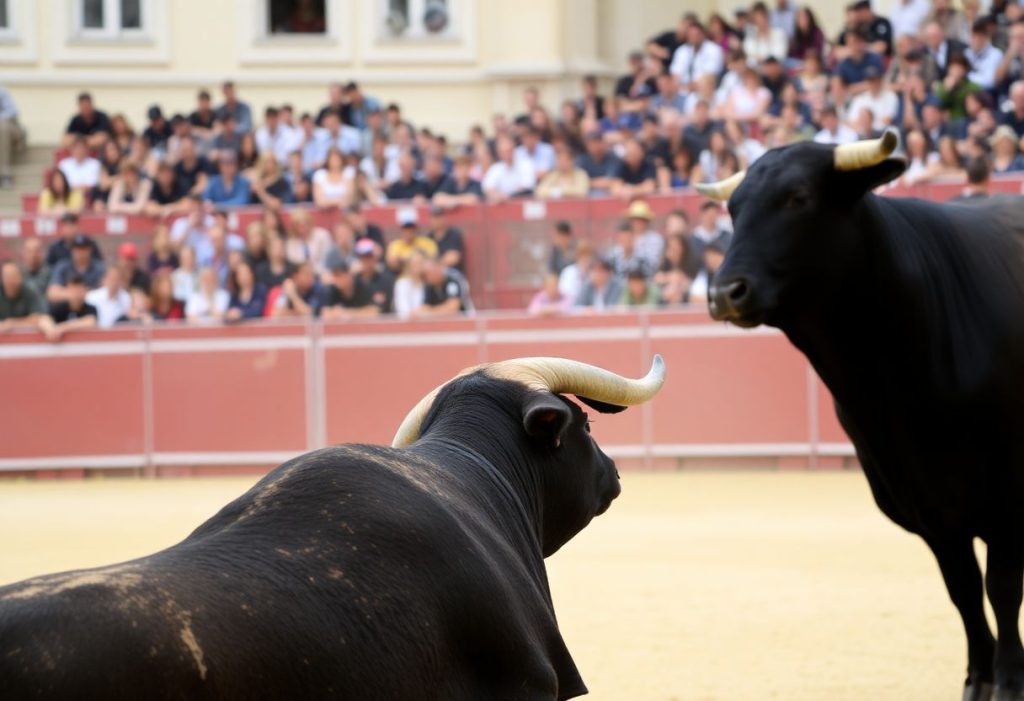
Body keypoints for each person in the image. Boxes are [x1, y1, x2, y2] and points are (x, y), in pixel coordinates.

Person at [0, 261, 56, 338]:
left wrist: (12, 323)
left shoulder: (30, 291)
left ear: (20, 277)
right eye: (7, 276)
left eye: (13, 276)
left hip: (28, 340)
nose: (10, 280)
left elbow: (39, 317)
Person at [47, 234, 106, 303]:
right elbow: (52, 293)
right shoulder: (63, 267)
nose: (81, 253)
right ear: (72, 250)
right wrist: (77, 294)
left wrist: (85, 295)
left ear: (90, 250)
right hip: (67, 309)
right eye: (77, 249)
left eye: (84, 249)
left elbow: (106, 291)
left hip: (93, 308)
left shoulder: (99, 268)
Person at [671, 21, 726, 91]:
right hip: (681, 91)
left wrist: (692, 87)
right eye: (691, 35)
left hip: (705, 90)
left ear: (703, 34)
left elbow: (710, 76)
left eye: (696, 35)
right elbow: (675, 74)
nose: (694, 38)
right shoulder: (681, 51)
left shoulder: (714, 50)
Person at [482, 135, 536, 201]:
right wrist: (497, 195)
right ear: (498, 153)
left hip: (521, 203)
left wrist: (507, 197)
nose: (506, 154)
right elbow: (488, 187)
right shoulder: (496, 168)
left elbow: (526, 187)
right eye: (503, 152)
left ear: (513, 149)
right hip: (502, 206)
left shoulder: (525, 164)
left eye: (508, 150)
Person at [47, 273, 97, 338]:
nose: (76, 295)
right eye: (74, 290)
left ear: (85, 291)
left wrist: (61, 328)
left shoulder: (90, 308)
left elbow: (90, 322)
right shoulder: (60, 308)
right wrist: (50, 329)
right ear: (68, 291)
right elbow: (44, 319)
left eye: (79, 291)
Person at [352, 239, 394, 314]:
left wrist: (349, 313)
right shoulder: (354, 281)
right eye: (363, 257)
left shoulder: (385, 280)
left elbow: (376, 311)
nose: (366, 260)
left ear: (375, 258)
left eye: (369, 256)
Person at [576, 132, 623, 196]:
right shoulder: (582, 160)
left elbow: (613, 181)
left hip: (608, 193)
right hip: (587, 195)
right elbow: (578, 181)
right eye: (592, 143)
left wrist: (588, 182)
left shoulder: (613, 158)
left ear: (603, 143)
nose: (595, 146)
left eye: (598, 142)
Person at [687, 235, 731, 304]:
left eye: (714, 255)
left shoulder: (731, 273)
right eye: (708, 257)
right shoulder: (704, 275)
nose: (711, 260)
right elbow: (693, 297)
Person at [966, 17, 1003, 91]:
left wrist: (967, 79)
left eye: (979, 37)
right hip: (968, 90)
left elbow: (989, 82)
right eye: (974, 36)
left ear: (987, 37)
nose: (976, 40)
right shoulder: (966, 53)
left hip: (986, 92)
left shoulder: (996, 54)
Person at [425, 206, 465, 273]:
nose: (436, 220)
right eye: (434, 217)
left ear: (444, 217)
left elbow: (454, 258)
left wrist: (435, 264)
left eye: (438, 217)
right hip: (433, 275)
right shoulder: (428, 238)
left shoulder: (453, 234)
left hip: (451, 273)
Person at [0, 85, 24, 189]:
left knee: (2, 127)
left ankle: (5, 174)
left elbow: (13, 112)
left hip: (12, 131)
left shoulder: (2, 92)